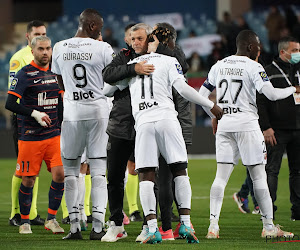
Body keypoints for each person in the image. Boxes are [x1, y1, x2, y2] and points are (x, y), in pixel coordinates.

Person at [114, 24, 223, 244]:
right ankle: (184, 223)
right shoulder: (170, 61)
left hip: (143, 122)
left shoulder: (132, 65)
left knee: (146, 175)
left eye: (139, 39)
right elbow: (183, 89)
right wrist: (210, 105)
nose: (136, 42)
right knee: (179, 170)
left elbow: (108, 89)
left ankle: (152, 228)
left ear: (145, 42)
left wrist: (126, 73)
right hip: (167, 119)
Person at [199, 30, 297, 239]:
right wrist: (293, 90)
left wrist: (214, 114)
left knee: (221, 177)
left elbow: (201, 95)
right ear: (250, 47)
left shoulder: (219, 65)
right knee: (259, 176)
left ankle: (213, 226)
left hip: (225, 125)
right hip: (247, 125)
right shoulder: (254, 66)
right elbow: (270, 94)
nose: (259, 51)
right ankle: (269, 227)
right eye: (258, 47)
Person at [102, 23, 190, 243]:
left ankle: (147, 226)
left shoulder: (164, 57)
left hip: (149, 124)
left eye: (140, 38)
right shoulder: (124, 58)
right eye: (133, 39)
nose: (136, 43)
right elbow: (107, 75)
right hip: (121, 126)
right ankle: (116, 224)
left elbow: (183, 66)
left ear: (150, 38)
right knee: (114, 177)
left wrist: (163, 48)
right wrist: (134, 69)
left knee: (151, 177)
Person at [51, 8, 115, 240]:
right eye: (99, 27)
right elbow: (114, 76)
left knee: (71, 173)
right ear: (92, 26)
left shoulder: (59, 47)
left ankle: (75, 227)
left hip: (72, 114)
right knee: (98, 172)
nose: (100, 32)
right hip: (98, 113)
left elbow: (59, 81)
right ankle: (98, 227)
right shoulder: (103, 48)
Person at [5, 36, 65, 234]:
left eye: (48, 48)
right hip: (30, 136)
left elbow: (61, 102)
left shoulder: (56, 73)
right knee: (29, 179)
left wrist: (63, 125)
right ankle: (24, 221)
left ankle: (51, 219)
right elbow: (10, 103)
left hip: (53, 134)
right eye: (41, 49)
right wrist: (34, 113)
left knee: (60, 175)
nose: (46, 52)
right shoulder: (24, 74)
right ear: (32, 51)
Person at [8, 20, 47, 227]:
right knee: (22, 169)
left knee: (35, 169)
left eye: (44, 34)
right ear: (28, 37)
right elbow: (13, 97)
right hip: (24, 119)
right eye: (37, 34)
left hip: (42, 119)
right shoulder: (18, 59)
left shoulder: (46, 57)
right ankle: (15, 213)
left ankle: (31, 214)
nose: (41, 37)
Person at [257, 36, 300, 220]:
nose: (298, 54)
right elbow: (261, 101)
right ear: (283, 52)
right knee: (272, 170)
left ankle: (297, 211)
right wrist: (266, 127)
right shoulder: (268, 72)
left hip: (298, 129)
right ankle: (268, 212)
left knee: (297, 171)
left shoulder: (299, 70)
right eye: (295, 50)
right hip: (276, 130)